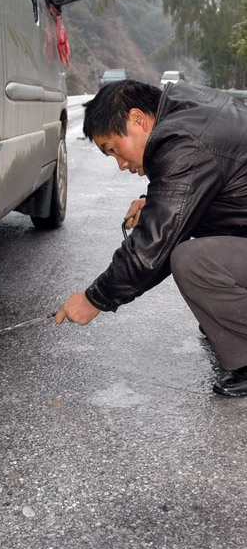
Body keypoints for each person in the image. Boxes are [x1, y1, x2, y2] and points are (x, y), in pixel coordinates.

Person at [55, 78, 247, 397]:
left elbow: (152, 249)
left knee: (190, 260)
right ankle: (230, 320)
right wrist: (153, 201)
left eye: (114, 150)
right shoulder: (184, 105)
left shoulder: (184, 140)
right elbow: (208, 184)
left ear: (137, 119)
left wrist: (95, 298)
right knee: (186, 232)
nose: (120, 165)